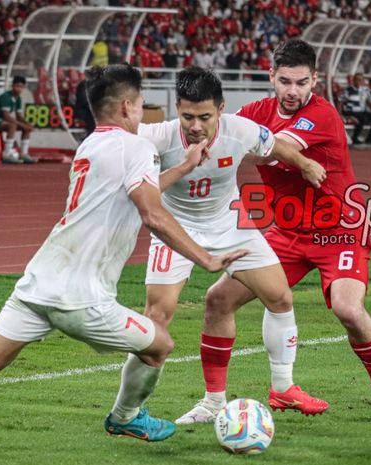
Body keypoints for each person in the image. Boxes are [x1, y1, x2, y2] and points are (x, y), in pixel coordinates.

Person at [0, 64, 247, 464]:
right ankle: (125, 417)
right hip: (83, 298)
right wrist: (205, 258)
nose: (145, 111)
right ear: (127, 106)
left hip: (39, 282)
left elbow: (136, 191)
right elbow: (152, 214)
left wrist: (183, 167)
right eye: (143, 104)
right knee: (159, 345)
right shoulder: (137, 148)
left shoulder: (91, 145)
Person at [179, 39, 371, 425]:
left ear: (315, 81)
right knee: (217, 300)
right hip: (287, 232)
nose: (293, 91)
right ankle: (213, 402)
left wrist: (225, 141)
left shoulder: (321, 115)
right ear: (271, 77)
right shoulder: (255, 112)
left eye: (301, 83)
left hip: (339, 228)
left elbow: (274, 147)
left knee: (347, 309)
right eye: (285, 81)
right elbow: (220, 131)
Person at [137, 67, 329, 425]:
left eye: (205, 117)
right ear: (176, 108)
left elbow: (275, 146)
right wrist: (180, 166)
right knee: (157, 317)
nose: (196, 126)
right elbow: (143, 191)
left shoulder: (240, 130)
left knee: (280, 296)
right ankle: (185, 406)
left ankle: (283, 388)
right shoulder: (155, 137)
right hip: (175, 229)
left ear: (221, 109)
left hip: (229, 222)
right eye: (188, 116)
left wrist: (304, 163)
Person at [0, 76, 35, 164]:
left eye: (21, 87)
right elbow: (7, 116)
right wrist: (23, 125)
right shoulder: (6, 97)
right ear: (12, 86)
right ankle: (7, 153)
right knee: (12, 125)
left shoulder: (18, 99)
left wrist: (27, 124)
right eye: (17, 86)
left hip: (1, 121)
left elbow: (19, 116)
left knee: (26, 128)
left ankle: (24, 153)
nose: (19, 89)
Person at [341, 72, 371, 145]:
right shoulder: (348, 90)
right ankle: (355, 137)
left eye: (360, 80)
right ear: (354, 80)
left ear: (363, 81)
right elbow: (341, 101)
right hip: (351, 111)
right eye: (357, 79)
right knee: (362, 119)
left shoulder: (365, 90)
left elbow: (368, 101)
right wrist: (340, 114)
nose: (358, 81)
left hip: (361, 111)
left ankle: (370, 138)